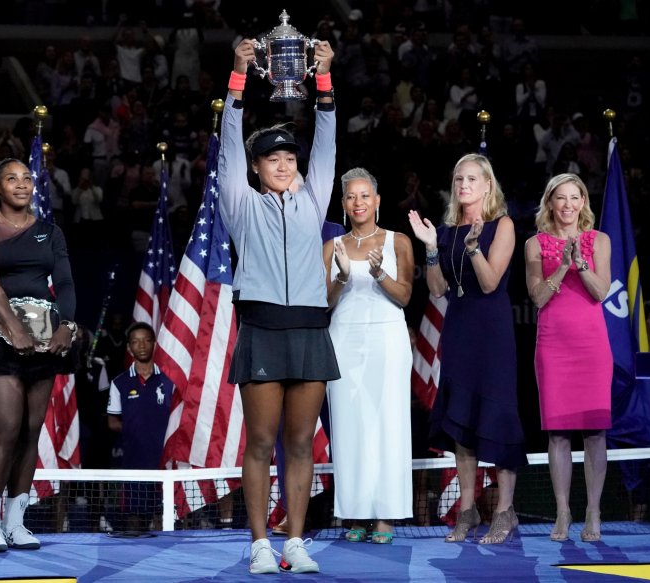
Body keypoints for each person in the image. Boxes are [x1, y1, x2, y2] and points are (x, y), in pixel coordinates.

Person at [218, 39, 337, 575]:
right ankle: (261, 544)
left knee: (300, 443)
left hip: (310, 330)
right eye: (273, 158)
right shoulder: (241, 204)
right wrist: (239, 77)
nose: (284, 164)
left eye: (290, 157)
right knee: (261, 442)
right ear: (257, 166)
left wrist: (326, 80)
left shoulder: (315, 199)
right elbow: (228, 148)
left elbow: (329, 142)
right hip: (263, 327)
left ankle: (294, 540)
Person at [0, 158, 77, 552]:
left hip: (45, 338)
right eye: (12, 179)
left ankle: (16, 522)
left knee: (31, 429)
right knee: (7, 427)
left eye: (27, 178)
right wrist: (12, 328)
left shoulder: (49, 231)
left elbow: (64, 280)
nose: (21, 185)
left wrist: (67, 325)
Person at [408, 153, 526, 545]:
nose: (464, 185)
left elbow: (491, 283)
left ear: (488, 185)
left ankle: (505, 511)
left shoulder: (502, 225)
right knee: (461, 423)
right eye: (459, 179)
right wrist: (429, 248)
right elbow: (439, 287)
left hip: (491, 334)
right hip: (458, 330)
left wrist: (474, 248)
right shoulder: (446, 230)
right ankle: (468, 509)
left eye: (472, 179)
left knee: (497, 418)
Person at [324, 167, 415, 544]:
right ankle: (355, 514)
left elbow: (405, 295)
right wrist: (343, 276)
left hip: (388, 342)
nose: (358, 202)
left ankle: (386, 515)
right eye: (350, 196)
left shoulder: (398, 242)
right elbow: (323, 303)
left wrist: (378, 274)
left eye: (365, 196)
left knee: (388, 425)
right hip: (343, 341)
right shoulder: (333, 247)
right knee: (349, 428)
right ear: (344, 204)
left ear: (376, 201)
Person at [524, 173, 612, 542]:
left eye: (574, 198)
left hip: (591, 346)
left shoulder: (599, 240)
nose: (567, 205)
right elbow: (539, 298)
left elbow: (601, 292)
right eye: (560, 198)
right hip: (553, 346)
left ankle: (593, 511)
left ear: (582, 202)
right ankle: (562, 510)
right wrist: (560, 265)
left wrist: (580, 263)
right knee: (558, 435)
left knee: (594, 434)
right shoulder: (534, 244)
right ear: (550, 203)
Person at [106, 322, 173, 531]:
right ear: (129, 348)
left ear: (154, 344)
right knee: (135, 517)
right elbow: (112, 421)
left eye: (146, 340)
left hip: (166, 460)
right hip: (134, 461)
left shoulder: (171, 380)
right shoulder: (120, 383)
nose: (141, 345)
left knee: (167, 515)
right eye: (135, 342)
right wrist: (135, 431)